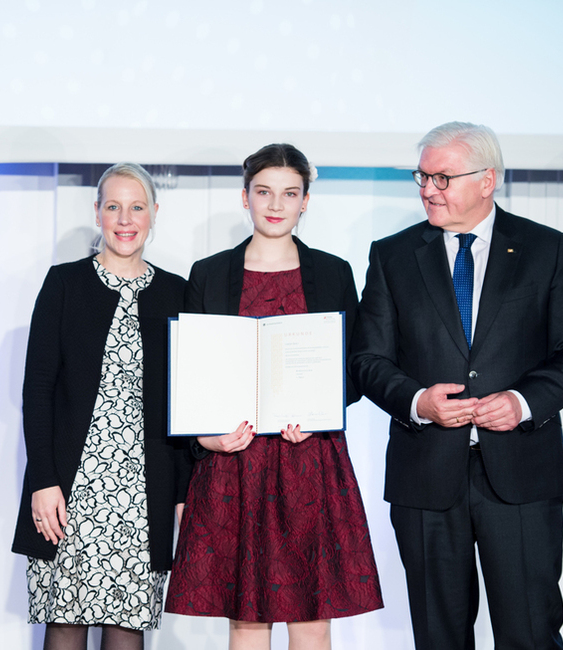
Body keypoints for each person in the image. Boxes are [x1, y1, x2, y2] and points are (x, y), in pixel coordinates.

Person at [350, 122, 563, 649]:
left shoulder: (544, 249)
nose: (427, 189)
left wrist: (522, 401)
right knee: (439, 639)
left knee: (530, 634)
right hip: (426, 478)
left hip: (521, 476)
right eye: (422, 177)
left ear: (487, 180)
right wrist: (418, 402)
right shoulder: (391, 256)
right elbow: (368, 360)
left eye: (442, 177)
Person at [165, 144, 383, 649]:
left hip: (308, 455)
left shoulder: (333, 272)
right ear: (245, 197)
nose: (276, 204)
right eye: (264, 192)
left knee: (311, 614)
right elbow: (191, 369)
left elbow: (354, 366)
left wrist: (319, 409)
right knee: (247, 616)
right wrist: (206, 437)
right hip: (234, 459)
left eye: (289, 193)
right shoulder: (209, 272)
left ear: (306, 200)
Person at [11, 163, 190, 650]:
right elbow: (37, 390)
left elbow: (187, 403)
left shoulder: (178, 292)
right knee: (65, 626)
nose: (125, 218)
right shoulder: (63, 284)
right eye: (113, 206)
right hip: (70, 492)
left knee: (127, 632)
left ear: (154, 214)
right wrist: (43, 480)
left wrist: (182, 494)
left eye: (137, 207)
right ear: (97, 213)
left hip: (142, 495)